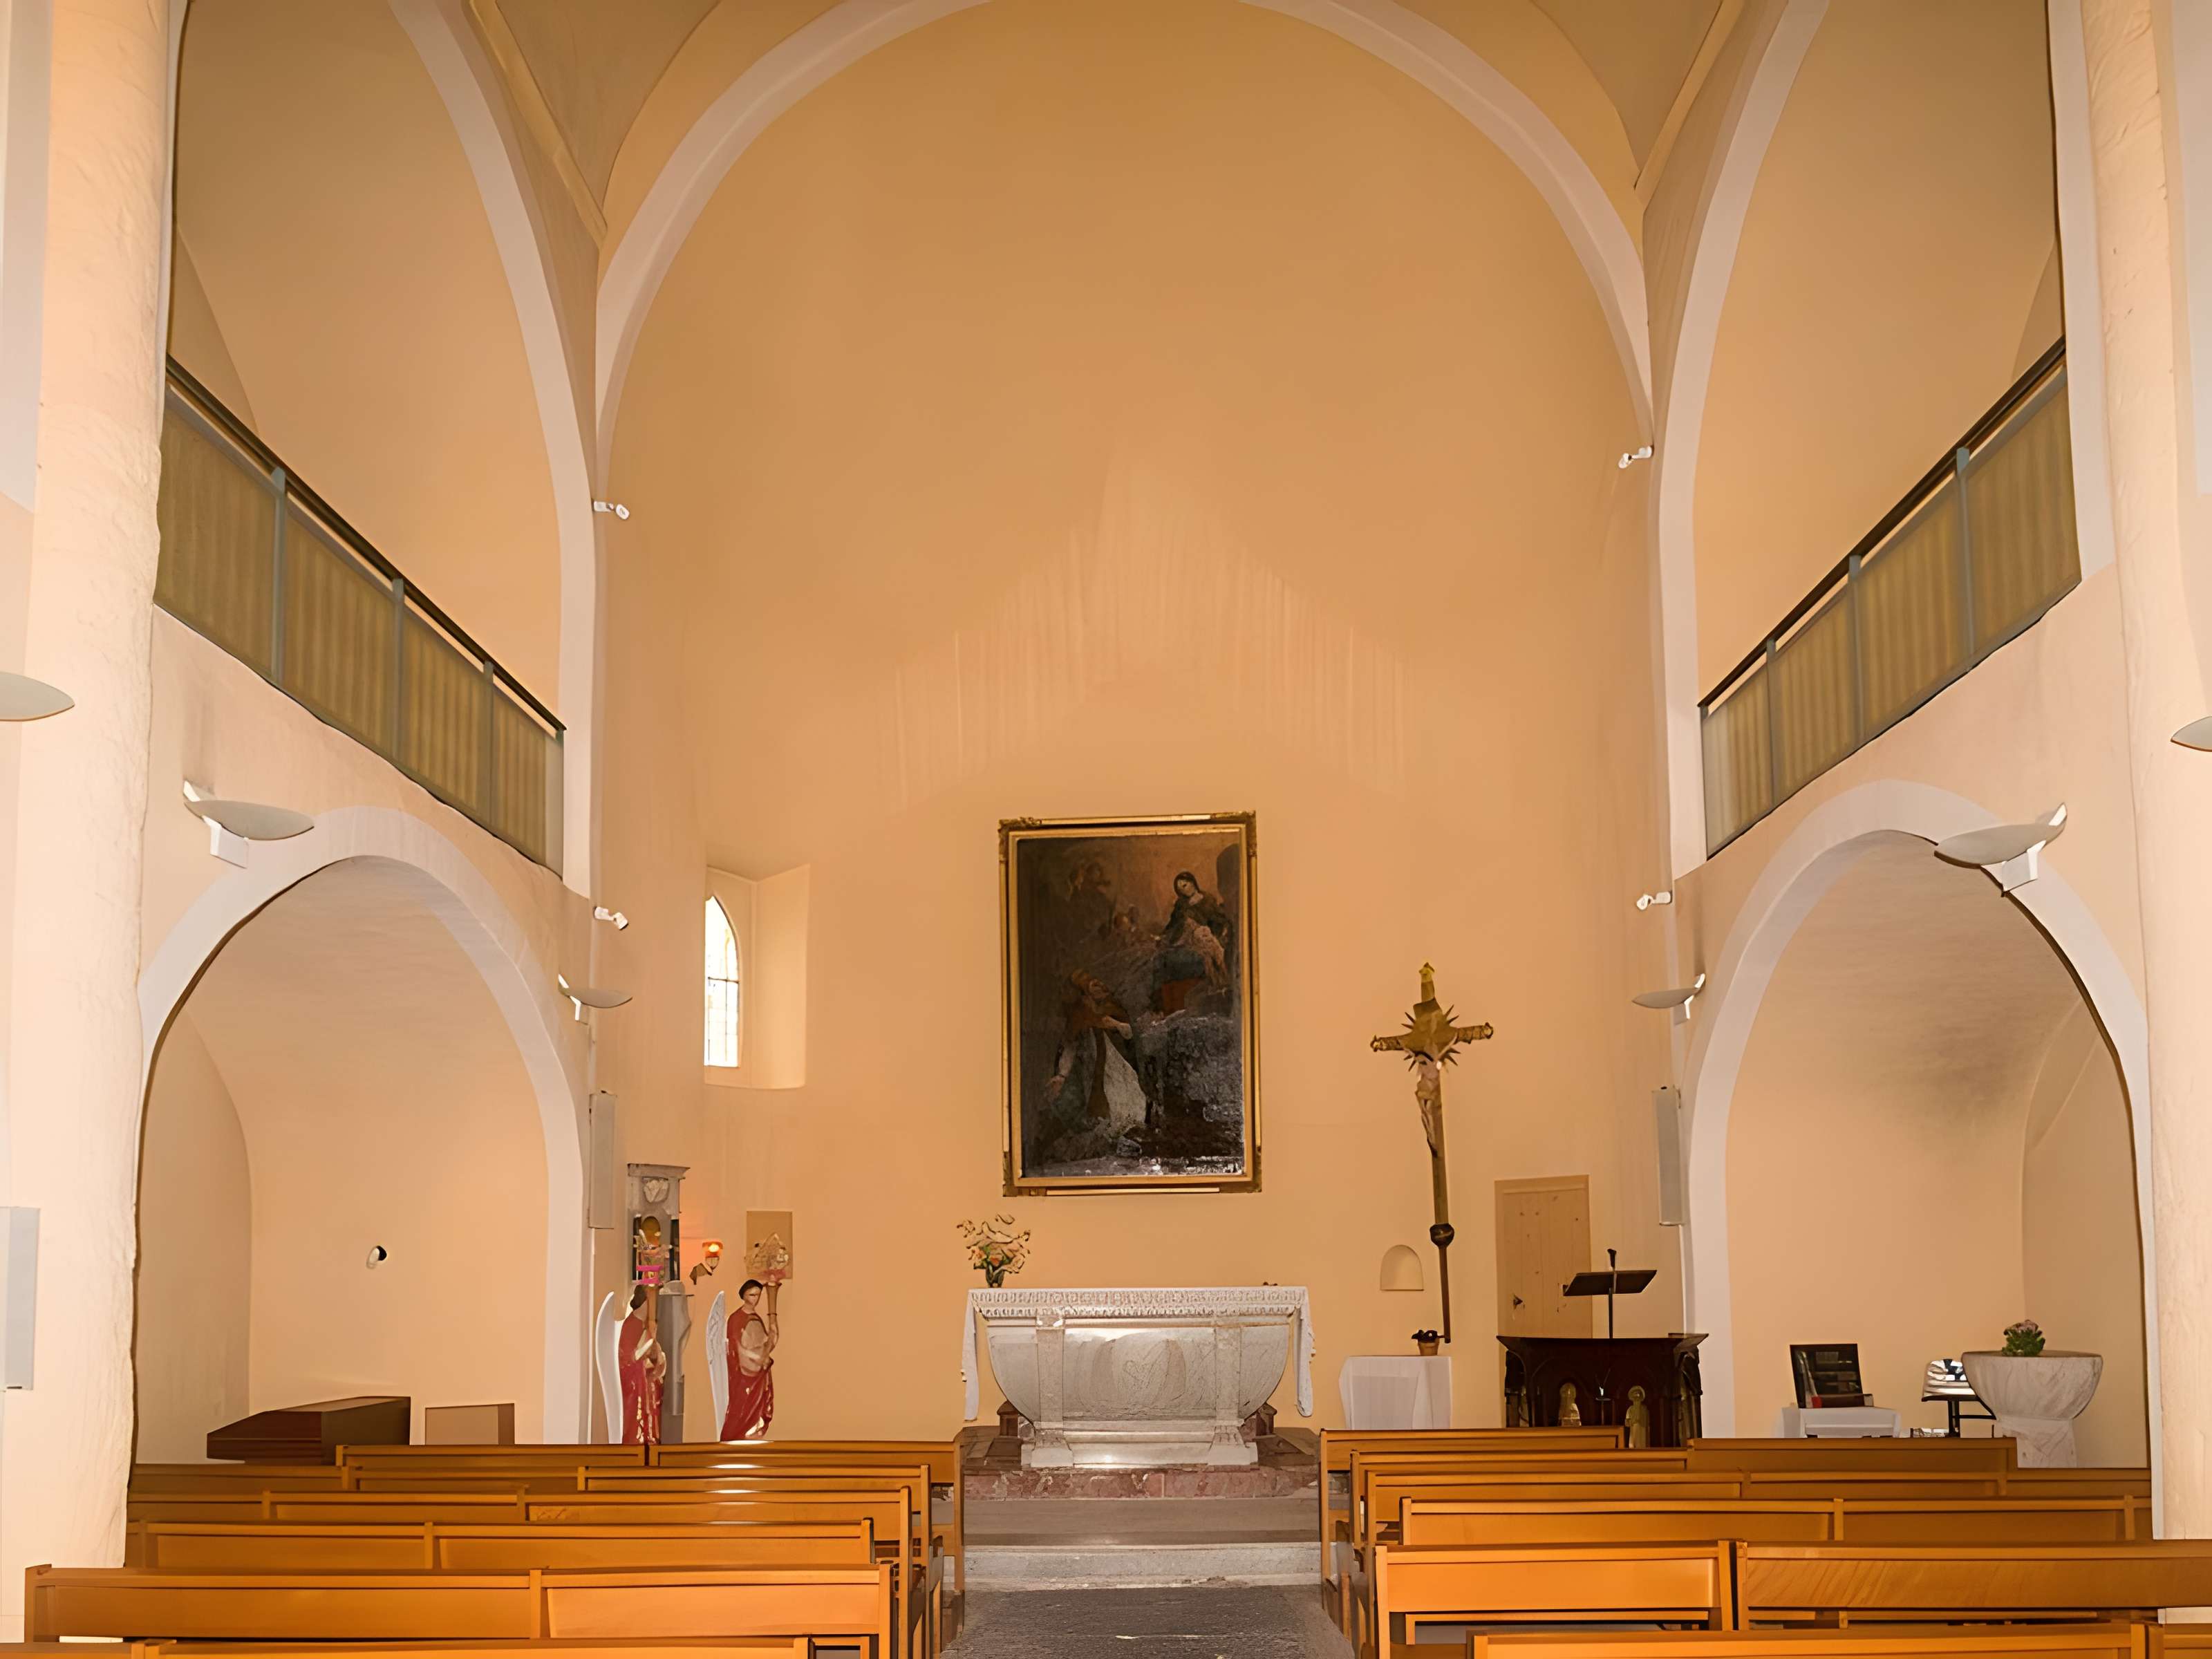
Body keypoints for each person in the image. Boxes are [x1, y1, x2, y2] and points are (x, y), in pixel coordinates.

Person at [722, 1275, 779, 1440]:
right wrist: (757, 1358)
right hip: (743, 1375)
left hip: (757, 1375)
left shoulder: (755, 1319)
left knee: (755, 1410)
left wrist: (773, 1320)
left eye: (758, 1295)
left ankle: (747, 1436)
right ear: (744, 1295)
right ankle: (733, 1438)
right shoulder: (736, 1319)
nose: (755, 1299)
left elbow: (767, 1345)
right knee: (741, 1409)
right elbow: (738, 1348)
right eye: (752, 1295)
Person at [617, 1284, 667, 1445]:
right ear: (646, 1302)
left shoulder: (645, 1325)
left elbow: (653, 1358)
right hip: (636, 1385)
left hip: (648, 1383)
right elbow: (630, 1358)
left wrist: (658, 1357)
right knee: (637, 1425)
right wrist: (649, 1344)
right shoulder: (631, 1324)